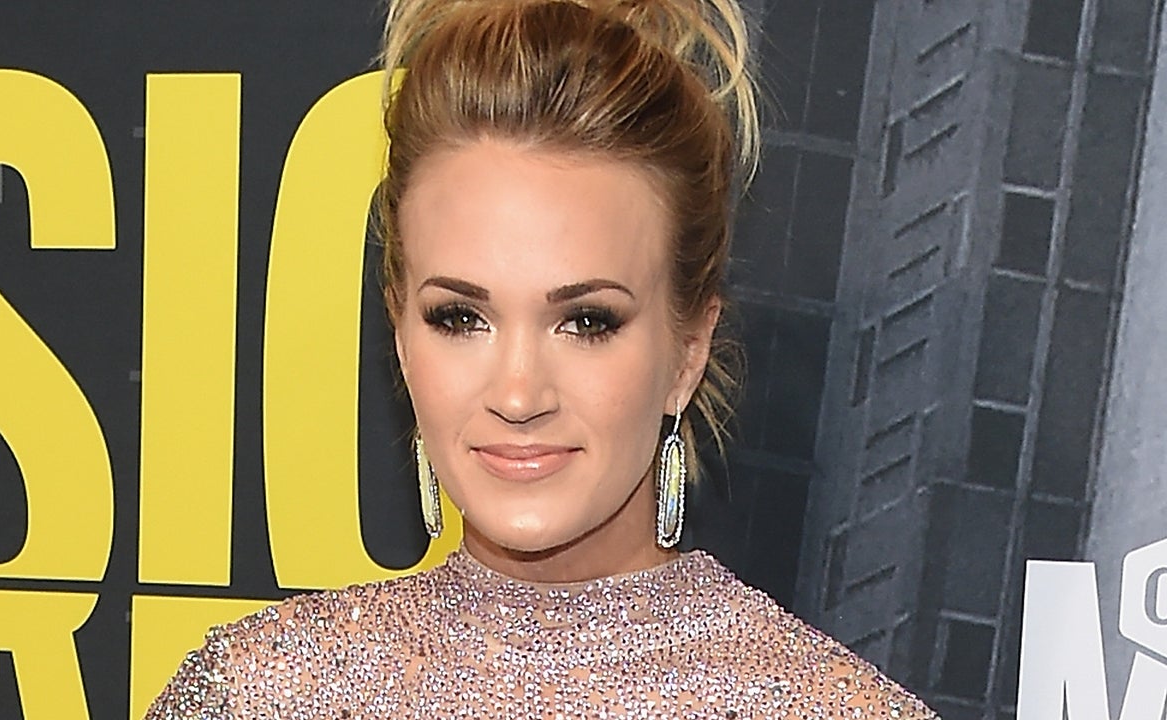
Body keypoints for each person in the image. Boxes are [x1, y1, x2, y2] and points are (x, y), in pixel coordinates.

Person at [145, 0, 939, 717]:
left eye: (587, 322)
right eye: (460, 318)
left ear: (687, 351)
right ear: (401, 335)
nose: (519, 394)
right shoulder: (252, 694)